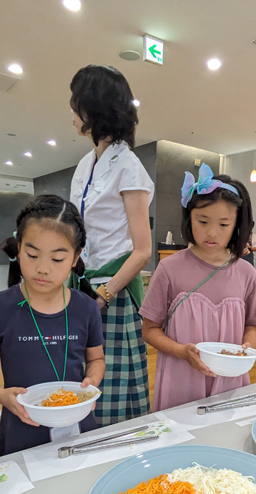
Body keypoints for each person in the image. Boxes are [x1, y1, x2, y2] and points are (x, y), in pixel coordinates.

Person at [0, 196, 106, 455]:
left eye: (57, 259)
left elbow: (96, 359)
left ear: (75, 258)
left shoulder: (86, 308)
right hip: (22, 422)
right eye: (32, 255)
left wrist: (92, 381)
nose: (42, 268)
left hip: (76, 418)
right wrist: (1, 395)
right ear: (18, 249)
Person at [68, 65, 153, 426]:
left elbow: (143, 250)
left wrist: (104, 293)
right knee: (84, 378)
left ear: (94, 109)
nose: (72, 112)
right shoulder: (86, 162)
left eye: (76, 103)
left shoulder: (128, 166)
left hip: (112, 292)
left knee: (113, 388)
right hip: (82, 286)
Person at [141, 165, 256, 411]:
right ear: (189, 218)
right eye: (203, 221)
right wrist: (181, 351)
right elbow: (150, 330)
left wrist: (246, 348)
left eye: (223, 224)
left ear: (237, 225)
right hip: (181, 377)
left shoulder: (246, 273)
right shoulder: (169, 269)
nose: (211, 232)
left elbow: (252, 326)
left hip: (229, 380)